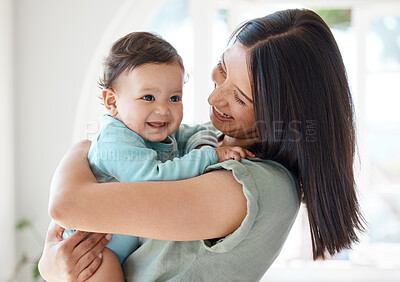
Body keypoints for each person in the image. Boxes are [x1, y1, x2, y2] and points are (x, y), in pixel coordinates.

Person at [39, 8, 365, 281]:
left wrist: (80, 151)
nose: (213, 96)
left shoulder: (257, 187)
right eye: (222, 68)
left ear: (281, 115)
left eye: (238, 96)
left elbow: (68, 205)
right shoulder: (206, 136)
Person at [58, 31, 254, 281]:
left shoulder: (155, 132)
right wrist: (210, 156)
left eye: (174, 98)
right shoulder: (115, 139)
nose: (163, 110)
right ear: (112, 101)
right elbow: (153, 178)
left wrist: (205, 143)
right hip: (92, 248)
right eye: (148, 97)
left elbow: (198, 131)